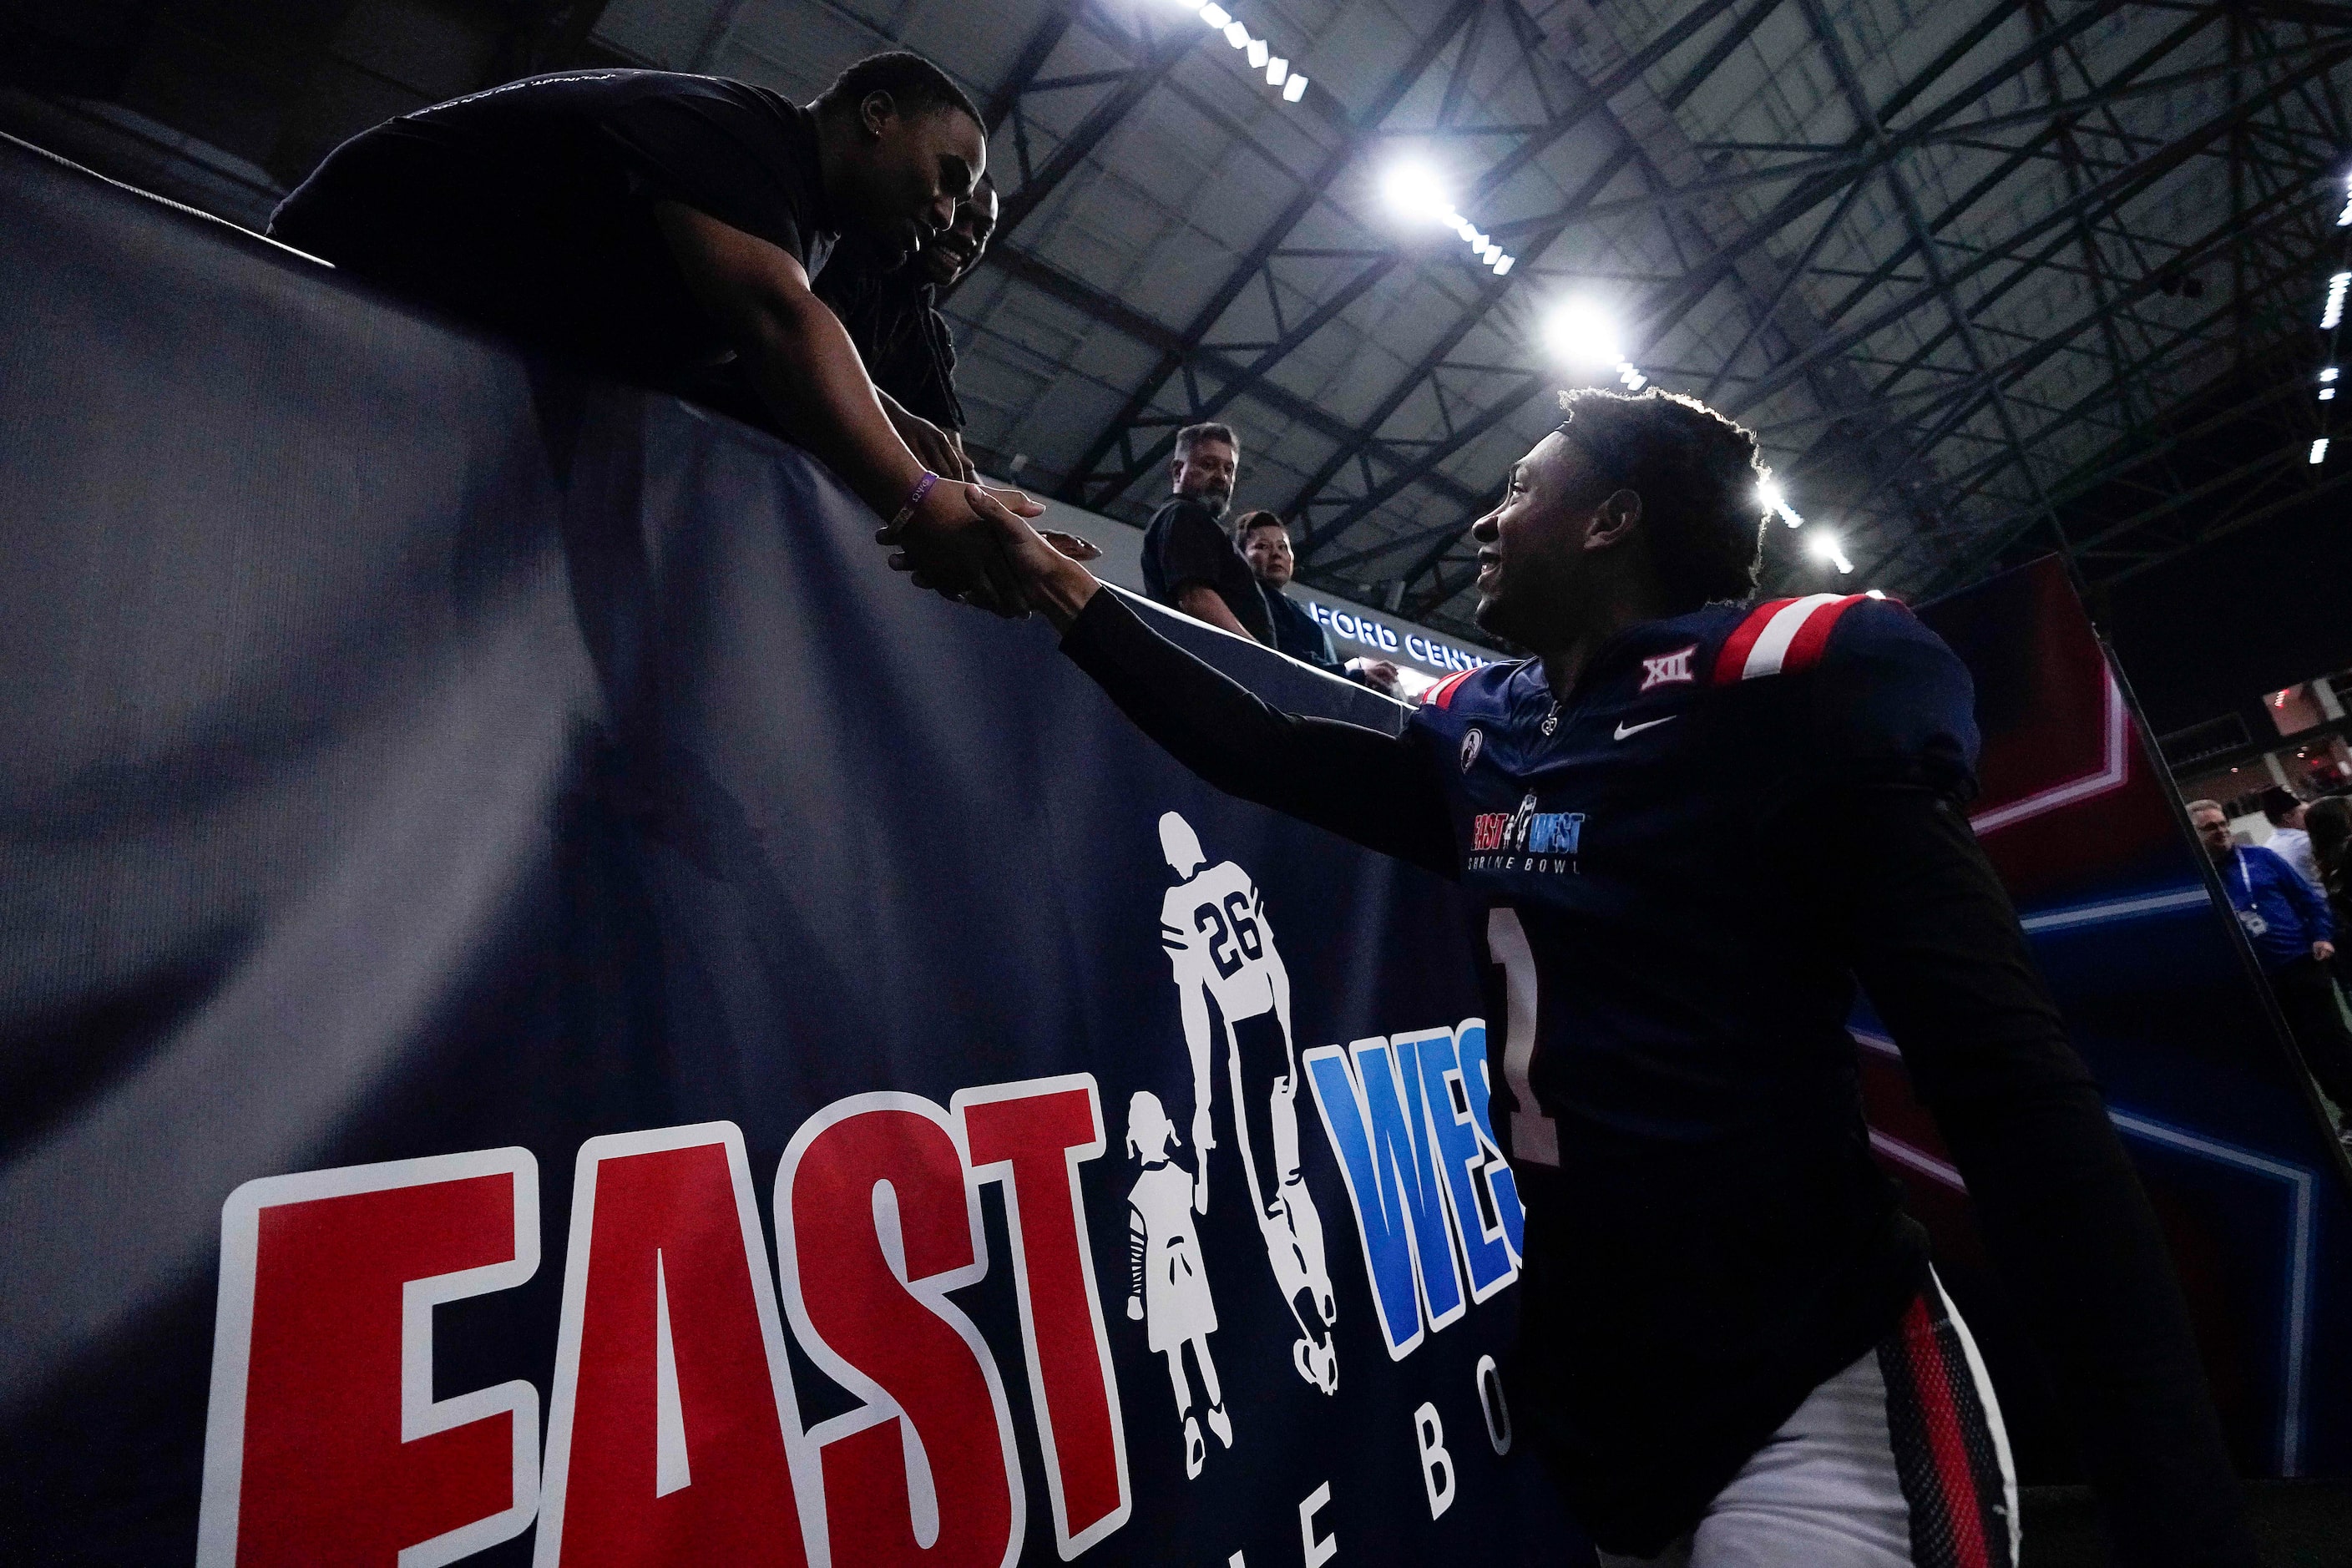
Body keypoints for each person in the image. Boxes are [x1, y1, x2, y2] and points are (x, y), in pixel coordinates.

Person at [913, 388, 2256, 1565]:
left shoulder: (1781, 695)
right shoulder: (1494, 733)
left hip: (1804, 1370)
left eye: (1518, 489)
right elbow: (1266, 750)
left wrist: (2173, 1502)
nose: (1487, 522)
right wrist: (1061, 589)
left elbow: (2014, 1093)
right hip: (1603, 1388)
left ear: (1610, 522)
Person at [270, 52, 1040, 613]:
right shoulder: (740, 133)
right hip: (300, 309)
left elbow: (759, 350)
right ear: (878, 115)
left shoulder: (778, 209)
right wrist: (919, 503)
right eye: (947, 178)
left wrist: (905, 428)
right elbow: (778, 321)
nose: (946, 214)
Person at [815, 175, 998, 480]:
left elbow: (950, 460)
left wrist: (1021, 525)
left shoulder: (935, 337)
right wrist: (897, 420)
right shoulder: (846, 258)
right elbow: (803, 354)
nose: (969, 238)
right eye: (961, 216)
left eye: (983, 232)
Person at [2191, 799, 2352, 1141]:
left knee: (2333, 1042)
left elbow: (2309, 900)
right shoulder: (2193, 879)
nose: (2221, 831)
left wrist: (2322, 937)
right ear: (2192, 832)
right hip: (2256, 984)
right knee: (2301, 1054)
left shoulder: (2261, 859)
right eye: (2210, 827)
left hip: (2301, 965)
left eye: (2222, 824)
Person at [1235, 510, 1402, 694]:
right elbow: (1286, 655)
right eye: (1263, 546)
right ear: (1242, 556)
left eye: (1283, 547)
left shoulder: (1294, 608)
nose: (1276, 554)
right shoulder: (1250, 600)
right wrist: (1352, 676)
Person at [1140, 424, 1273, 645]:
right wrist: (1261, 656)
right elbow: (1195, 598)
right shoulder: (1183, 513)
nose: (1222, 477)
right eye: (1208, 465)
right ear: (1177, 471)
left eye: (1229, 469)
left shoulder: (1198, 523)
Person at [2258, 786, 2323, 891]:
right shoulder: (2307, 842)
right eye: (2302, 812)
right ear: (2287, 817)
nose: (2309, 816)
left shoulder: (2268, 848)